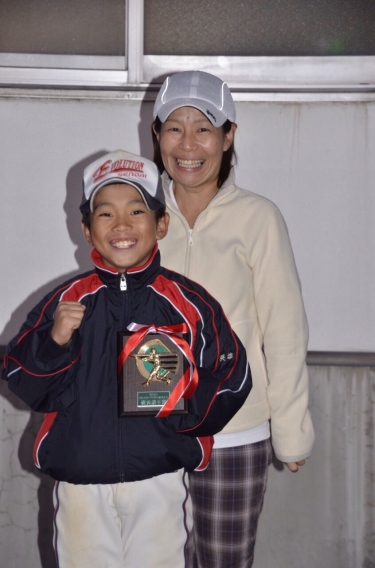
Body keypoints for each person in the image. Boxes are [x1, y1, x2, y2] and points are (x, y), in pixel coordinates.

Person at [1, 149, 252, 568]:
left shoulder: (187, 302)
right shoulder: (65, 301)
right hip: (80, 481)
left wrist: (180, 411)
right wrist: (55, 341)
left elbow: (234, 376)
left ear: (162, 223)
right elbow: (22, 379)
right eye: (105, 214)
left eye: (137, 210)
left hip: (160, 480)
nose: (121, 225)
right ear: (85, 229)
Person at [152, 70, 315, 568]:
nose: (188, 143)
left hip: (235, 430)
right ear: (157, 135)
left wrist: (290, 431)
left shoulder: (258, 218)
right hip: (147, 428)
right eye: (174, 127)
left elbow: (284, 331)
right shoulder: (138, 212)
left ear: (228, 137)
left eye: (204, 127)